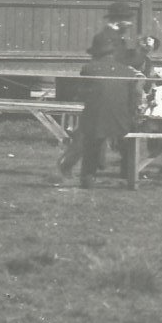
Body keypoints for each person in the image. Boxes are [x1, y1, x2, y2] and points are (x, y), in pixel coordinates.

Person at [58, 11, 137, 190]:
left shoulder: (89, 68)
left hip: (97, 115)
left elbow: (84, 92)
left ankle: (85, 174)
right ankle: (129, 175)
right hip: (121, 116)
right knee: (97, 134)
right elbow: (133, 95)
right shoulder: (111, 40)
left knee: (90, 134)